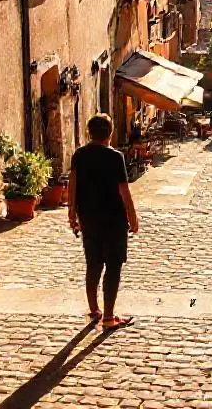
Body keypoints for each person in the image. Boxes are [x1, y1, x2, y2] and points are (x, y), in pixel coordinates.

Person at [67, 113, 140, 330]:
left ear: (89, 132)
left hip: (88, 217)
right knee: (113, 265)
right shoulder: (115, 157)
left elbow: (73, 184)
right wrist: (133, 217)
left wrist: (72, 214)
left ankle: (94, 310)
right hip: (114, 219)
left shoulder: (79, 155)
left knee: (93, 263)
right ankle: (108, 317)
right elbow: (124, 190)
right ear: (110, 132)